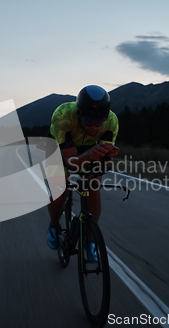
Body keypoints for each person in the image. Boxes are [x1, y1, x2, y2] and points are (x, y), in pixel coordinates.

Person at [46, 85, 119, 261]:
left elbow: (105, 163)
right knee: (59, 190)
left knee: (94, 186)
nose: (94, 126)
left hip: (88, 146)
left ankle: (90, 241)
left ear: (106, 116)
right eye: (87, 120)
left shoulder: (111, 121)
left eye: (99, 121)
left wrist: (106, 162)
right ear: (78, 113)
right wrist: (89, 156)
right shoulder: (62, 115)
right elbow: (72, 164)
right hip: (58, 147)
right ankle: (54, 225)